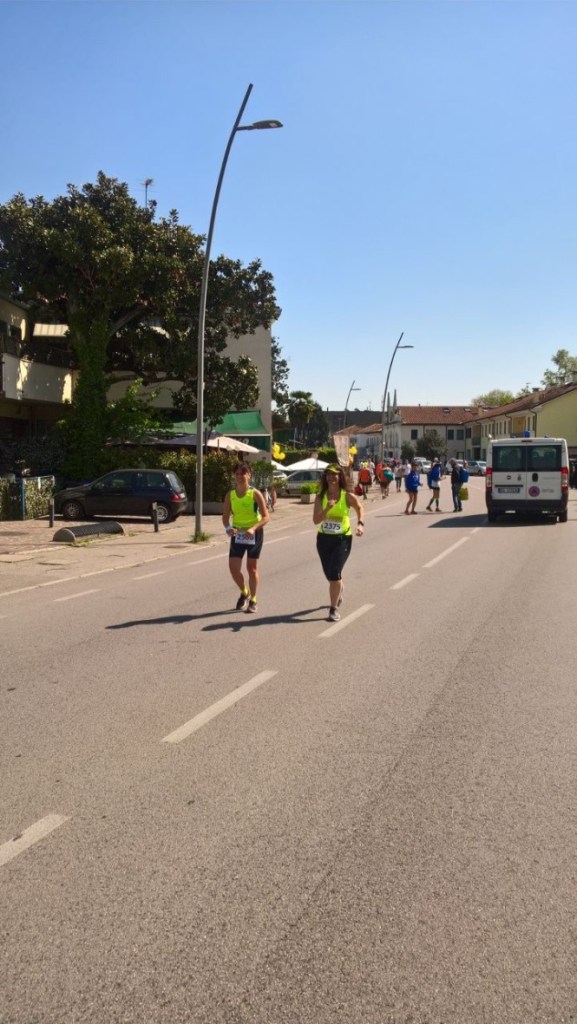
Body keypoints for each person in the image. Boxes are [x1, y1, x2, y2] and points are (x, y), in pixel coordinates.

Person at [313, 464, 364, 622]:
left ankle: (333, 609)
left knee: (334, 573)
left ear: (339, 477)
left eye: (334, 474)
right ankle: (339, 588)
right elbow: (316, 520)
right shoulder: (320, 497)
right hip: (324, 539)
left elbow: (359, 507)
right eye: (328, 474)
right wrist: (327, 509)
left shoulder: (346, 496)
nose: (331, 477)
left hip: (342, 539)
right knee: (330, 574)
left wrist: (360, 524)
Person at [222, 462, 270, 613]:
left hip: (254, 533)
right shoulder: (230, 495)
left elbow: (266, 517)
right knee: (234, 569)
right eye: (236, 474)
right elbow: (225, 517)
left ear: (249, 475)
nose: (239, 476)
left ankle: (253, 599)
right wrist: (228, 528)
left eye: (242, 473)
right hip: (238, 534)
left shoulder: (255, 493)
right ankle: (245, 592)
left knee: (252, 568)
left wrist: (253, 528)